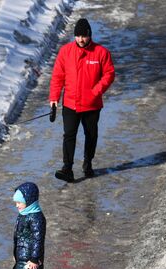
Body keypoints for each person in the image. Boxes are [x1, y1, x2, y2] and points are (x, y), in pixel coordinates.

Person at [49, 18, 115, 182]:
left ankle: (88, 163)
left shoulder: (101, 52)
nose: (80, 39)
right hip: (70, 103)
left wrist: (96, 91)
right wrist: (54, 98)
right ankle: (67, 168)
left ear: (89, 35)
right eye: (77, 36)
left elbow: (109, 74)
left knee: (91, 135)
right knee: (69, 135)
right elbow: (57, 76)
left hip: (92, 105)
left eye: (83, 36)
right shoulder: (65, 51)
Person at [6, 182, 46, 269]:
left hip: (30, 259)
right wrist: (16, 254)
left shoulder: (36, 217)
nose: (17, 205)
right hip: (24, 256)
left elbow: (37, 240)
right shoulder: (24, 214)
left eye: (19, 202)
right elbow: (20, 237)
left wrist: (34, 259)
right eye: (16, 202)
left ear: (29, 201)